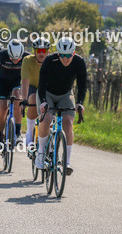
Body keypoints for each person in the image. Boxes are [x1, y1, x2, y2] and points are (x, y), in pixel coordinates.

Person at [34, 37, 88, 174]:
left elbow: (82, 86)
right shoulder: (49, 60)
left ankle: (67, 162)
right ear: (58, 54)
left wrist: (80, 103)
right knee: (46, 120)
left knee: (68, 123)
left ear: (73, 53)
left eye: (68, 55)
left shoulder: (79, 62)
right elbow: (41, 84)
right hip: (47, 93)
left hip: (65, 94)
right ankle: (40, 152)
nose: (65, 58)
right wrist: (44, 101)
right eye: (62, 55)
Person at [0, 39, 25, 147]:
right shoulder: (1, 56)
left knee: (18, 98)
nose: (15, 60)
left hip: (16, 83)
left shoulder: (26, 57)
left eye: (18, 58)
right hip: (2, 83)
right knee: (3, 107)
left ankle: (18, 133)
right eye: (12, 58)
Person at [20, 36, 50, 156]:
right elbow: (25, 82)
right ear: (34, 51)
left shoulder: (52, 61)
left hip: (46, 88)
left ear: (48, 52)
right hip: (32, 86)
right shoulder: (27, 60)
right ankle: (29, 132)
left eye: (44, 51)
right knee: (32, 99)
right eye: (38, 50)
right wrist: (24, 100)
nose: (41, 53)